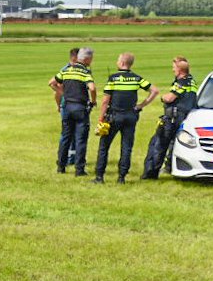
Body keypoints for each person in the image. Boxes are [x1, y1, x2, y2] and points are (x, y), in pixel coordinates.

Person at [94, 52, 156, 183]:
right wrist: (141, 105)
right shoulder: (136, 78)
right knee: (127, 147)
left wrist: (101, 118)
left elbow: (105, 101)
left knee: (104, 146)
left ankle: (99, 177)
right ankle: (121, 177)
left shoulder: (113, 78)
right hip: (131, 116)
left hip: (114, 116)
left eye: (118, 60)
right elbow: (154, 91)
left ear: (122, 63)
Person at [141, 57, 195, 180]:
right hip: (184, 118)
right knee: (174, 144)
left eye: (174, 68)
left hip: (173, 118)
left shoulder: (182, 82)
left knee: (158, 144)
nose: (173, 70)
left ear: (180, 70)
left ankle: (151, 173)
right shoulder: (192, 81)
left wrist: (163, 97)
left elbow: (170, 98)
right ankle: (169, 167)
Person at [49, 46, 95, 176]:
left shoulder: (66, 70)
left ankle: (61, 167)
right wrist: (93, 101)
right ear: (86, 59)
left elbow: (51, 82)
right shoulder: (85, 72)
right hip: (80, 107)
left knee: (65, 137)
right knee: (80, 139)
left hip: (67, 106)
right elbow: (92, 88)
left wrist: (64, 94)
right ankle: (79, 169)